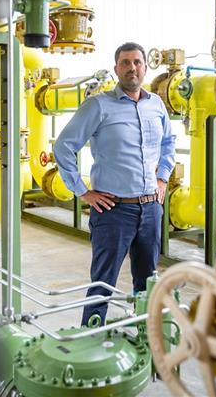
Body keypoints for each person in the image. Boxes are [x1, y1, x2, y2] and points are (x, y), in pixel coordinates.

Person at [54, 42, 176, 325]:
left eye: (137, 62)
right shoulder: (98, 106)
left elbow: (169, 142)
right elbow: (63, 146)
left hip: (150, 209)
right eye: (125, 63)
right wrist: (82, 191)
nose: (132, 68)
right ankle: (91, 338)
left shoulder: (156, 105)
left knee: (148, 282)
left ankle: (147, 336)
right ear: (116, 69)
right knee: (102, 284)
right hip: (113, 211)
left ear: (145, 67)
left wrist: (162, 178)